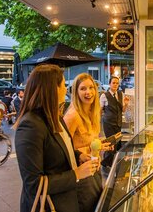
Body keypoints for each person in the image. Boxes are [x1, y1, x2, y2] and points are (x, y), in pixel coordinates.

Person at [14, 64, 98, 212]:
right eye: (63, 85)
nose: (66, 89)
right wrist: (76, 174)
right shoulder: (30, 125)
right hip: (49, 205)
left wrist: (78, 156)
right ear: (52, 89)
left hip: (66, 199)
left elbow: (60, 149)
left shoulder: (55, 117)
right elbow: (34, 184)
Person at [64, 73, 111, 212]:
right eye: (83, 88)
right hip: (82, 174)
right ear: (76, 92)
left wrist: (101, 144)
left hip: (95, 167)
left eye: (91, 87)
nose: (88, 92)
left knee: (97, 205)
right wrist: (82, 154)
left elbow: (89, 141)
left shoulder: (93, 112)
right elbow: (63, 148)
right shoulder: (72, 116)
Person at [99, 76, 129, 168]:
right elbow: (100, 110)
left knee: (117, 143)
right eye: (113, 83)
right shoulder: (104, 95)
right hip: (108, 123)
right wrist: (97, 122)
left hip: (118, 123)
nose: (115, 85)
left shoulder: (121, 94)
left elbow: (123, 110)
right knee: (111, 143)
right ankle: (108, 163)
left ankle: (110, 162)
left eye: (117, 83)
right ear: (109, 84)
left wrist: (126, 104)